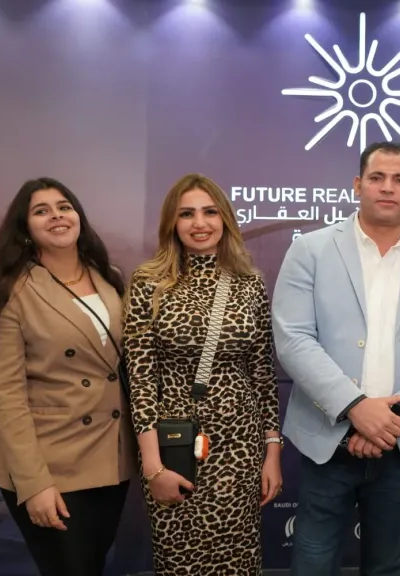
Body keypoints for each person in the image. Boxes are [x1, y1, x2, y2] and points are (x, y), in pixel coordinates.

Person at [272, 141, 400, 576]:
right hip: (328, 442)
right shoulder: (310, 250)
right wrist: (356, 408)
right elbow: (293, 339)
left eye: (399, 180)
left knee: (390, 566)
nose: (387, 187)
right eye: (377, 177)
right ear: (357, 184)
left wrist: (391, 419)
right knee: (312, 563)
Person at [0, 177, 135, 576]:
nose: (56, 216)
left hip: (110, 460)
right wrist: (34, 484)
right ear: (25, 228)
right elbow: (6, 398)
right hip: (50, 465)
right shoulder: (10, 291)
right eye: (42, 211)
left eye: (64, 207)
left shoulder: (108, 277)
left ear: (78, 217)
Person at [123, 173, 282, 575]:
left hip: (240, 447)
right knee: (180, 560)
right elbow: (141, 379)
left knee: (239, 560)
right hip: (174, 446)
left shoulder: (249, 284)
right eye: (187, 214)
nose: (199, 223)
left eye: (210, 212)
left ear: (224, 219)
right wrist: (153, 466)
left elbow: (263, 375)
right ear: (172, 223)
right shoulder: (148, 283)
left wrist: (272, 455)